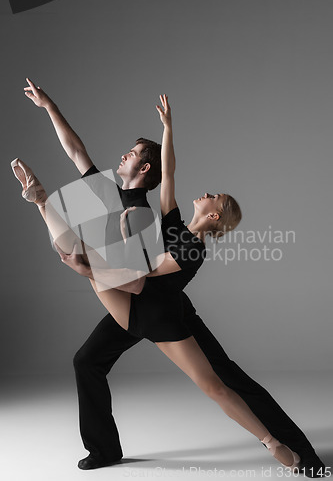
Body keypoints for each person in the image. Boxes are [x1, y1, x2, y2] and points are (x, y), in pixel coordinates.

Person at [13, 80, 325, 478]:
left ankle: (300, 455)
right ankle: (105, 450)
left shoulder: (156, 222)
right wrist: (165, 127)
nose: (208, 191)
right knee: (87, 361)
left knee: (225, 380)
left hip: (159, 308)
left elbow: (141, 276)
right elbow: (148, 166)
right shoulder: (156, 211)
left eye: (215, 197)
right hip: (139, 301)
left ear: (214, 216)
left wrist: (87, 265)